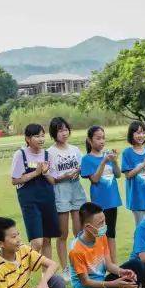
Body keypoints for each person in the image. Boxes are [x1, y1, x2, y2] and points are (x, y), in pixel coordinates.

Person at [68, 202, 145, 288]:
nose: (105, 225)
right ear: (88, 227)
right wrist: (113, 284)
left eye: (104, 221)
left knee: (136, 265)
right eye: (100, 223)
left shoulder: (100, 236)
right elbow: (85, 282)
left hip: (102, 282)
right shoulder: (76, 250)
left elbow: (108, 264)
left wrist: (121, 272)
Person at [10, 123, 60, 262]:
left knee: (47, 240)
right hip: (30, 201)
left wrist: (45, 173)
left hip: (47, 199)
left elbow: (53, 180)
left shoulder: (47, 155)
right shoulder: (20, 155)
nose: (41, 139)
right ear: (27, 138)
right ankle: (23, 272)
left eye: (42, 135)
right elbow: (15, 180)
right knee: (37, 242)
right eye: (36, 136)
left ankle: (47, 278)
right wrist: (36, 173)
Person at [47, 116, 85, 273]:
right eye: (60, 130)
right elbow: (50, 178)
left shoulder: (75, 150)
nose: (64, 133)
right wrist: (65, 176)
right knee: (62, 234)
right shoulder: (50, 152)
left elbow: (84, 168)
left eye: (65, 129)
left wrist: (79, 170)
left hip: (76, 192)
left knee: (79, 232)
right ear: (54, 134)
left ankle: (80, 264)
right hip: (61, 194)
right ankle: (65, 268)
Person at [80, 125, 123, 263]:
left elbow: (117, 175)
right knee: (100, 234)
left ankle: (114, 263)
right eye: (98, 138)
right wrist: (104, 162)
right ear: (90, 140)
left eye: (103, 138)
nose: (102, 141)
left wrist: (114, 161)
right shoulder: (87, 159)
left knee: (111, 233)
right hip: (99, 203)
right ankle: (100, 262)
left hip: (112, 201)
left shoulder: (108, 155)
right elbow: (95, 179)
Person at [121, 121, 145, 227]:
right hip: (136, 197)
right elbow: (128, 175)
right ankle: (140, 244)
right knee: (140, 226)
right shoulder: (127, 153)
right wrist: (143, 164)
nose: (141, 135)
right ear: (131, 134)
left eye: (143, 132)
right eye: (137, 133)